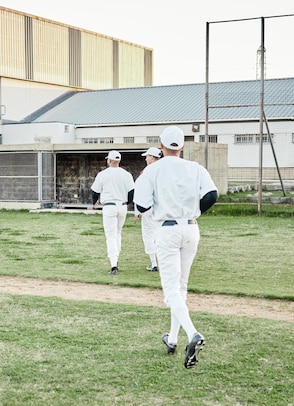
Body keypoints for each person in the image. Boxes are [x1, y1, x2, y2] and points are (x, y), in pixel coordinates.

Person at [133, 126, 218, 369]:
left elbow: (140, 206)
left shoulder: (152, 170)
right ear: (182, 146)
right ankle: (172, 339)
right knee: (180, 287)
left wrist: (161, 206)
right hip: (191, 228)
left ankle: (192, 334)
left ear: (161, 145)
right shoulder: (195, 168)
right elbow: (212, 195)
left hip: (167, 229)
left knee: (171, 290)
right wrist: (194, 211)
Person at [91, 150, 135, 275]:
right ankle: (116, 258)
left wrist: (95, 202)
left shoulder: (103, 174)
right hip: (122, 206)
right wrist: (127, 203)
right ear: (119, 161)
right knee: (118, 233)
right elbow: (132, 192)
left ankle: (113, 264)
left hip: (109, 206)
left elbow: (95, 191)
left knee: (111, 235)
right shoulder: (126, 174)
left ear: (109, 160)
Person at [133, 147, 162, 272]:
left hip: (149, 208)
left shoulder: (146, 172)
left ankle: (154, 263)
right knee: (160, 235)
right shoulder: (164, 169)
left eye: (147, 156)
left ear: (152, 157)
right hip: (162, 208)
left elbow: (140, 191)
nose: (146, 159)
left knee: (149, 235)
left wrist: (137, 211)